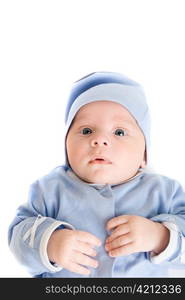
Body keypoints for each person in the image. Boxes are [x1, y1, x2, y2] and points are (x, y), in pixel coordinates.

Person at [8, 71, 185, 278]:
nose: (100, 140)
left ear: (144, 155)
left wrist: (160, 237)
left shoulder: (166, 192)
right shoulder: (49, 190)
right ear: (66, 146)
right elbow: (18, 236)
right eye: (86, 131)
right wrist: (51, 243)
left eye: (119, 132)